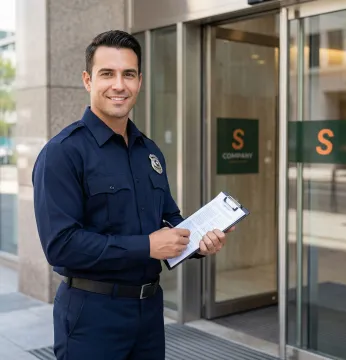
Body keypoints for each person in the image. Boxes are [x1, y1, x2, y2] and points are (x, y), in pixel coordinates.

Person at [32, 30, 235, 360]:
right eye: (107, 74)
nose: (118, 85)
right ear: (88, 80)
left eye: (128, 74)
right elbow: (61, 246)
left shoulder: (149, 151)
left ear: (139, 81)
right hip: (92, 316)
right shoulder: (63, 153)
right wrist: (147, 246)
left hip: (149, 315)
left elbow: (170, 217)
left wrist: (200, 240)